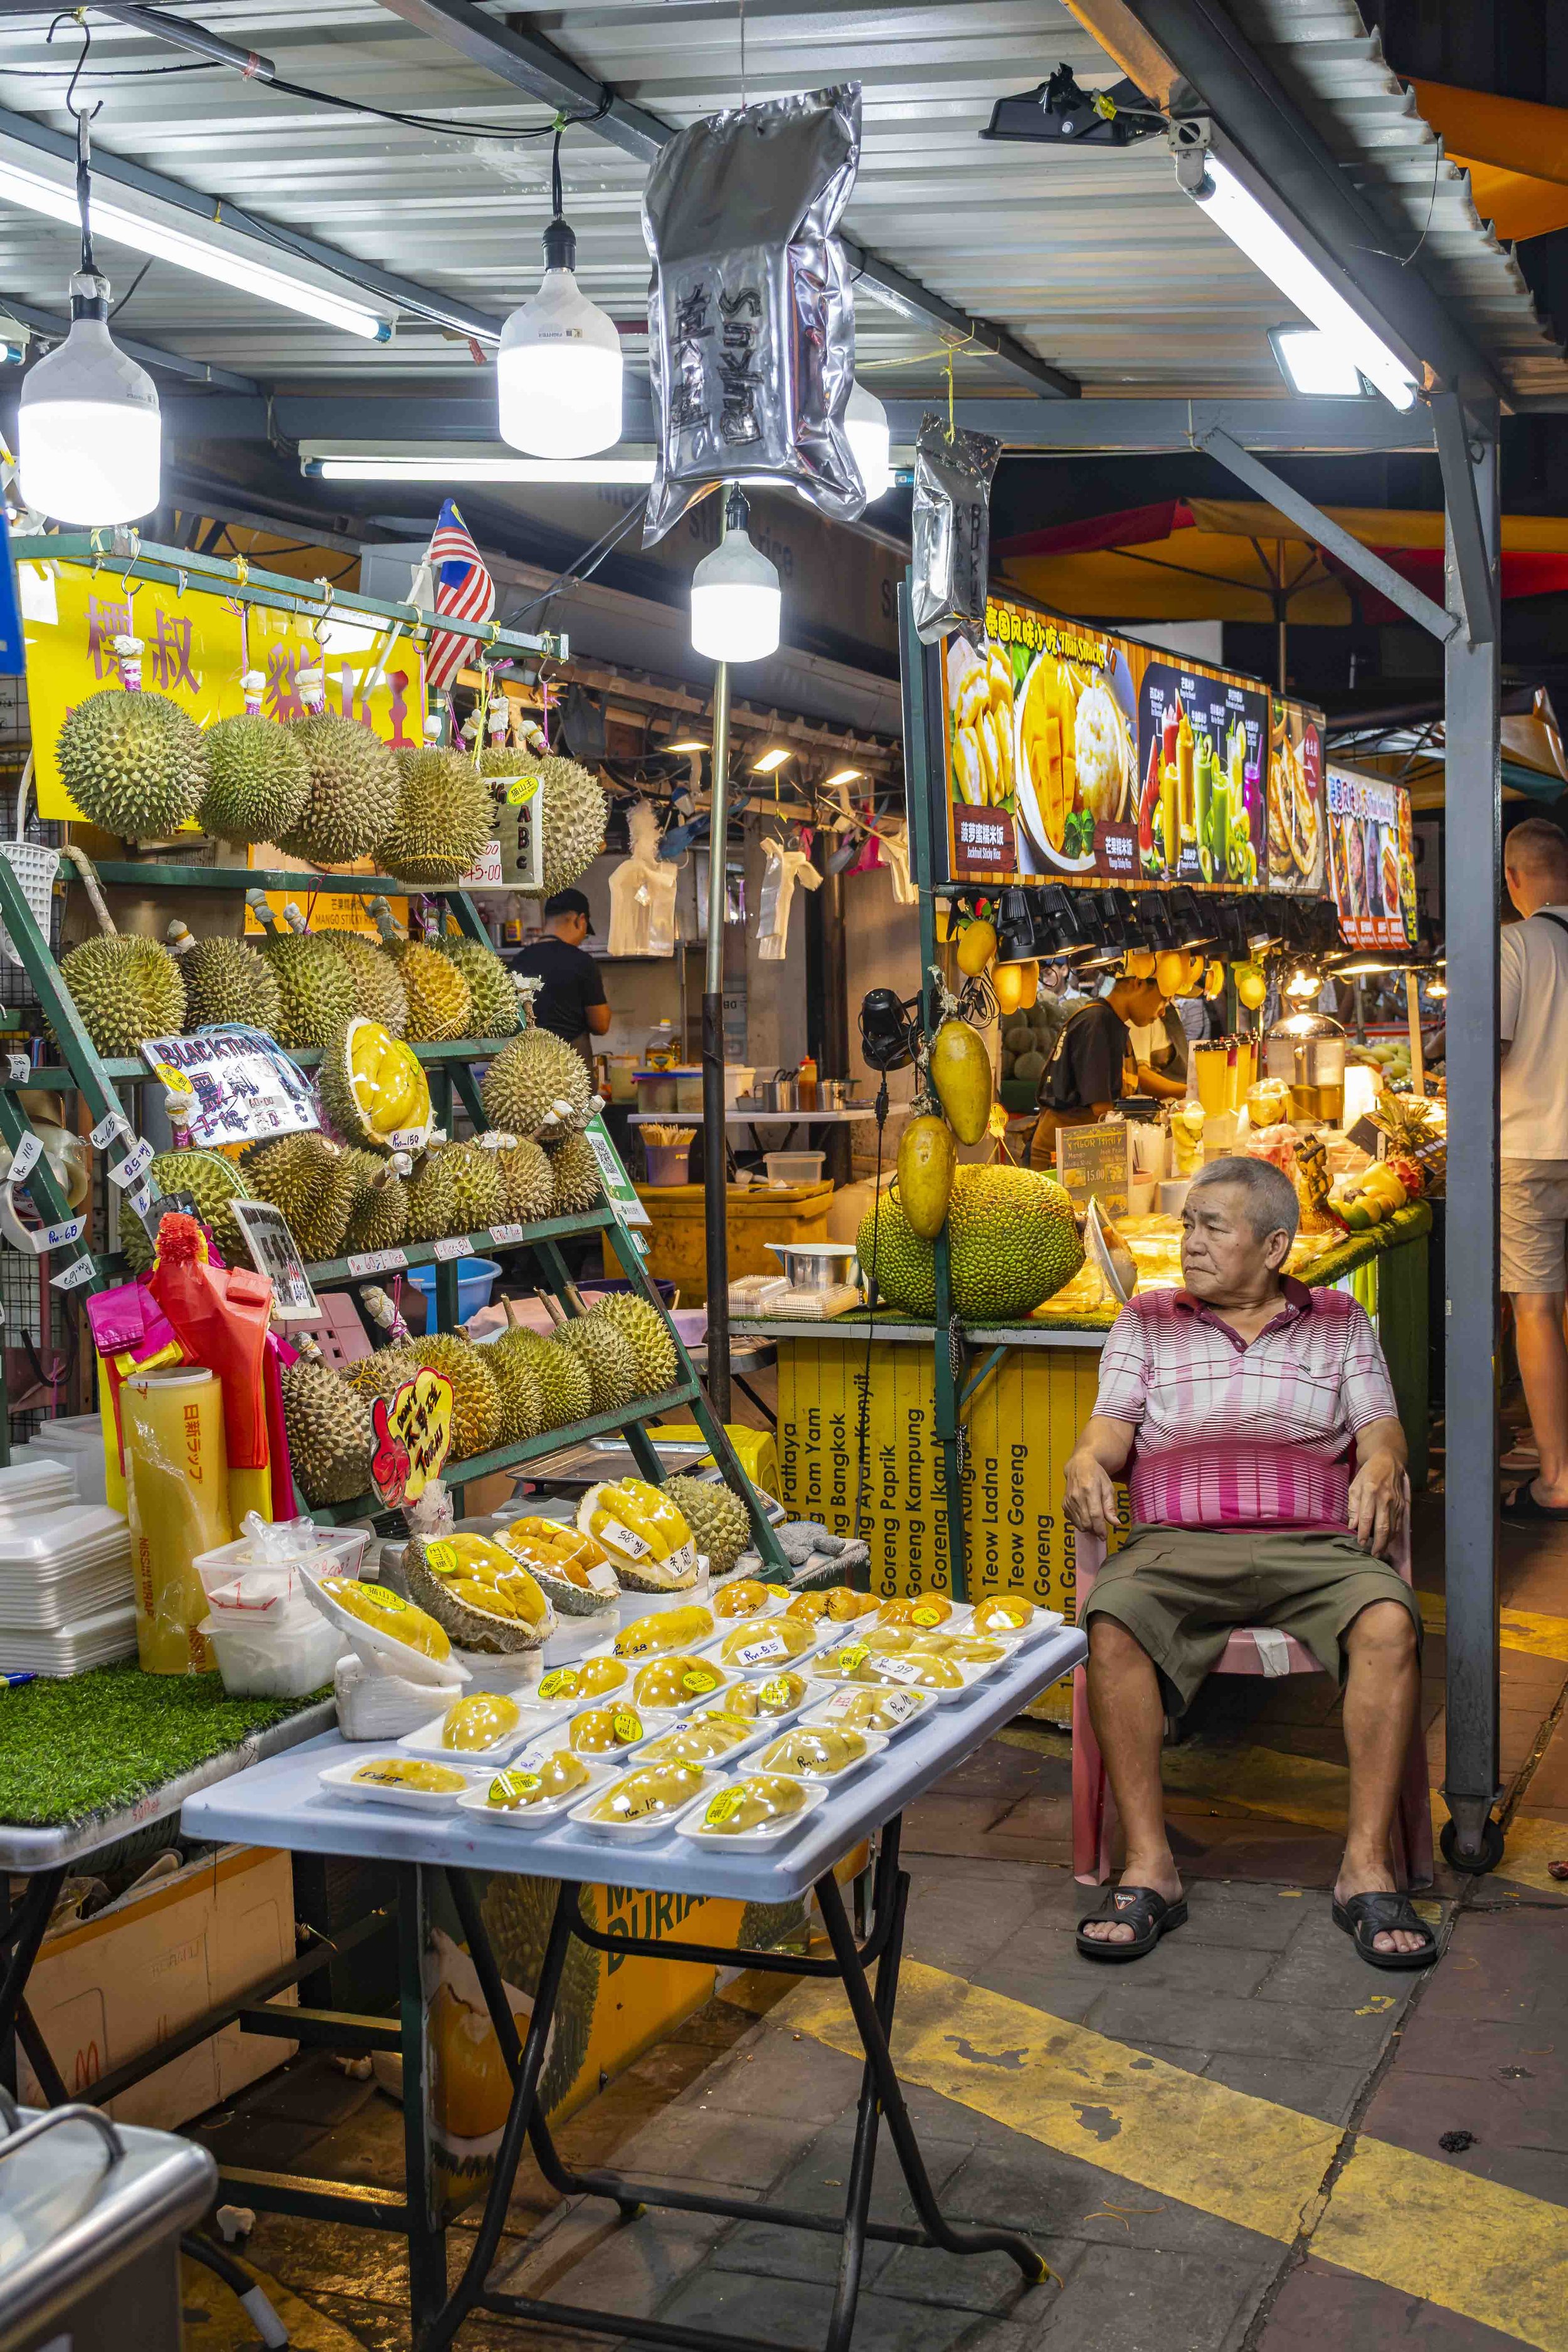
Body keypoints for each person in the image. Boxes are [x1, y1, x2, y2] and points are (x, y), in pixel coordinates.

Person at [1063, 1156, 1433, 1970]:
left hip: (1318, 1545)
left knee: (1389, 1620)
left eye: (1211, 1227)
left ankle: (1366, 1868)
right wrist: (1090, 1458)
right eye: (1188, 1223)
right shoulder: (1149, 1317)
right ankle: (1149, 1865)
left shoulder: (1340, 1319)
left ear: (1273, 1246)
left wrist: (1380, 1461)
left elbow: (1380, 1429)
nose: (1190, 1241)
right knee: (1114, 1618)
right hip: (1176, 1546)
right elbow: (1112, 1425)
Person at [1497, 818, 1568, 1520]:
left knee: (1537, 1308)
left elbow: (1489, 1046)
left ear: (1514, 878)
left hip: (1528, 1150)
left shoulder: (1514, 943)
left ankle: (1558, 1475)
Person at [1029, 965, 1185, 1170]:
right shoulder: (1097, 1022)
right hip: (1062, 1161)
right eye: (1163, 999)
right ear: (1138, 983)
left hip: (1083, 1156)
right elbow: (1102, 1110)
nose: (1163, 1012)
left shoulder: (1112, 1023)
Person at [507, 889, 610, 1079]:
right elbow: (601, 1024)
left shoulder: (518, 962)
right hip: (571, 1077)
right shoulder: (582, 962)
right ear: (580, 920)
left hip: (526, 1077)